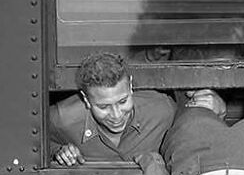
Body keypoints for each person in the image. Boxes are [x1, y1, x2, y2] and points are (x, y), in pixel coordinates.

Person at [48, 52, 176, 165]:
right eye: (103, 107)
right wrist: (57, 151)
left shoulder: (163, 109)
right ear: (86, 99)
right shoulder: (61, 117)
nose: (116, 115)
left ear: (130, 86)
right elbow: (32, 144)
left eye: (122, 101)